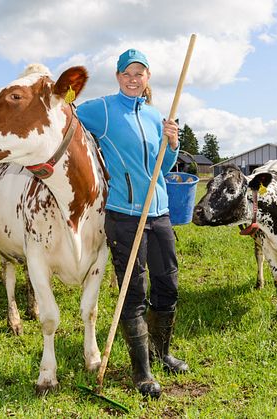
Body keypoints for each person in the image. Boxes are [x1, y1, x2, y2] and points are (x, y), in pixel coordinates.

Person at [76, 48, 189, 399]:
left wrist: (172, 143)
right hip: (124, 214)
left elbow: (165, 166)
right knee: (133, 291)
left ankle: (162, 353)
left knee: (167, 284)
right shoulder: (104, 110)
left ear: (148, 78)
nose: (133, 78)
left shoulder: (156, 116)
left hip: (159, 212)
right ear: (118, 76)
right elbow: (68, 118)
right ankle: (142, 372)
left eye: (139, 73)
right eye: (127, 73)